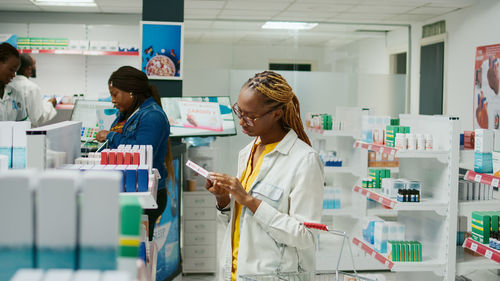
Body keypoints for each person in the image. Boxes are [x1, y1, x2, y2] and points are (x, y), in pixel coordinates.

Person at [206, 71, 324, 280]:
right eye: (239, 112)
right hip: (236, 273)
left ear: (276, 114)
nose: (242, 121)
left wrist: (249, 201)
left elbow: (306, 236)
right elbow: (243, 224)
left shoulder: (304, 160)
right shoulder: (247, 151)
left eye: (250, 116)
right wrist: (224, 200)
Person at [95, 66, 173, 240]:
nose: (112, 100)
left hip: (146, 194)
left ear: (131, 91)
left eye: (115, 94)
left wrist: (111, 136)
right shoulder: (128, 113)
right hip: (132, 188)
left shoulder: (152, 116)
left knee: (139, 250)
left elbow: (140, 153)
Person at [7, 53, 57, 127]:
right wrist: (50, 104)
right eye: (34, 64)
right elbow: (38, 118)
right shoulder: (32, 88)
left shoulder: (8, 84)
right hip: (27, 133)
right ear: (29, 68)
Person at [0, 42, 21, 121]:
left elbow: (23, 124)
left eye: (15, 71)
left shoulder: (15, 94)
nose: (13, 75)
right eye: (11, 70)